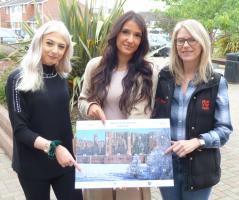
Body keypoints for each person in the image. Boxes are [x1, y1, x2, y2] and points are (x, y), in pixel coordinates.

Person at [78, 11, 158, 200]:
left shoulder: (148, 72)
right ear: (116, 34)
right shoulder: (94, 66)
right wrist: (90, 108)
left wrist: (129, 164)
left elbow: (145, 116)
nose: (131, 39)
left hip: (132, 155)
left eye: (137, 35)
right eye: (126, 32)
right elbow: (82, 100)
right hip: (99, 154)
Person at [152, 19, 233, 200]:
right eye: (180, 40)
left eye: (192, 39)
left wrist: (197, 141)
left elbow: (225, 130)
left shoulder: (216, 82)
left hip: (199, 167)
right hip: (167, 163)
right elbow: (153, 116)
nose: (185, 45)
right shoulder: (164, 77)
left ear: (202, 42)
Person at [6, 20, 83, 200]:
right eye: (49, 43)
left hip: (64, 161)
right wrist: (54, 148)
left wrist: (73, 146)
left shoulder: (60, 76)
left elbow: (62, 120)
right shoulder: (18, 78)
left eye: (61, 46)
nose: (55, 50)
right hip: (32, 165)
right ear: (38, 42)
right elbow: (20, 130)